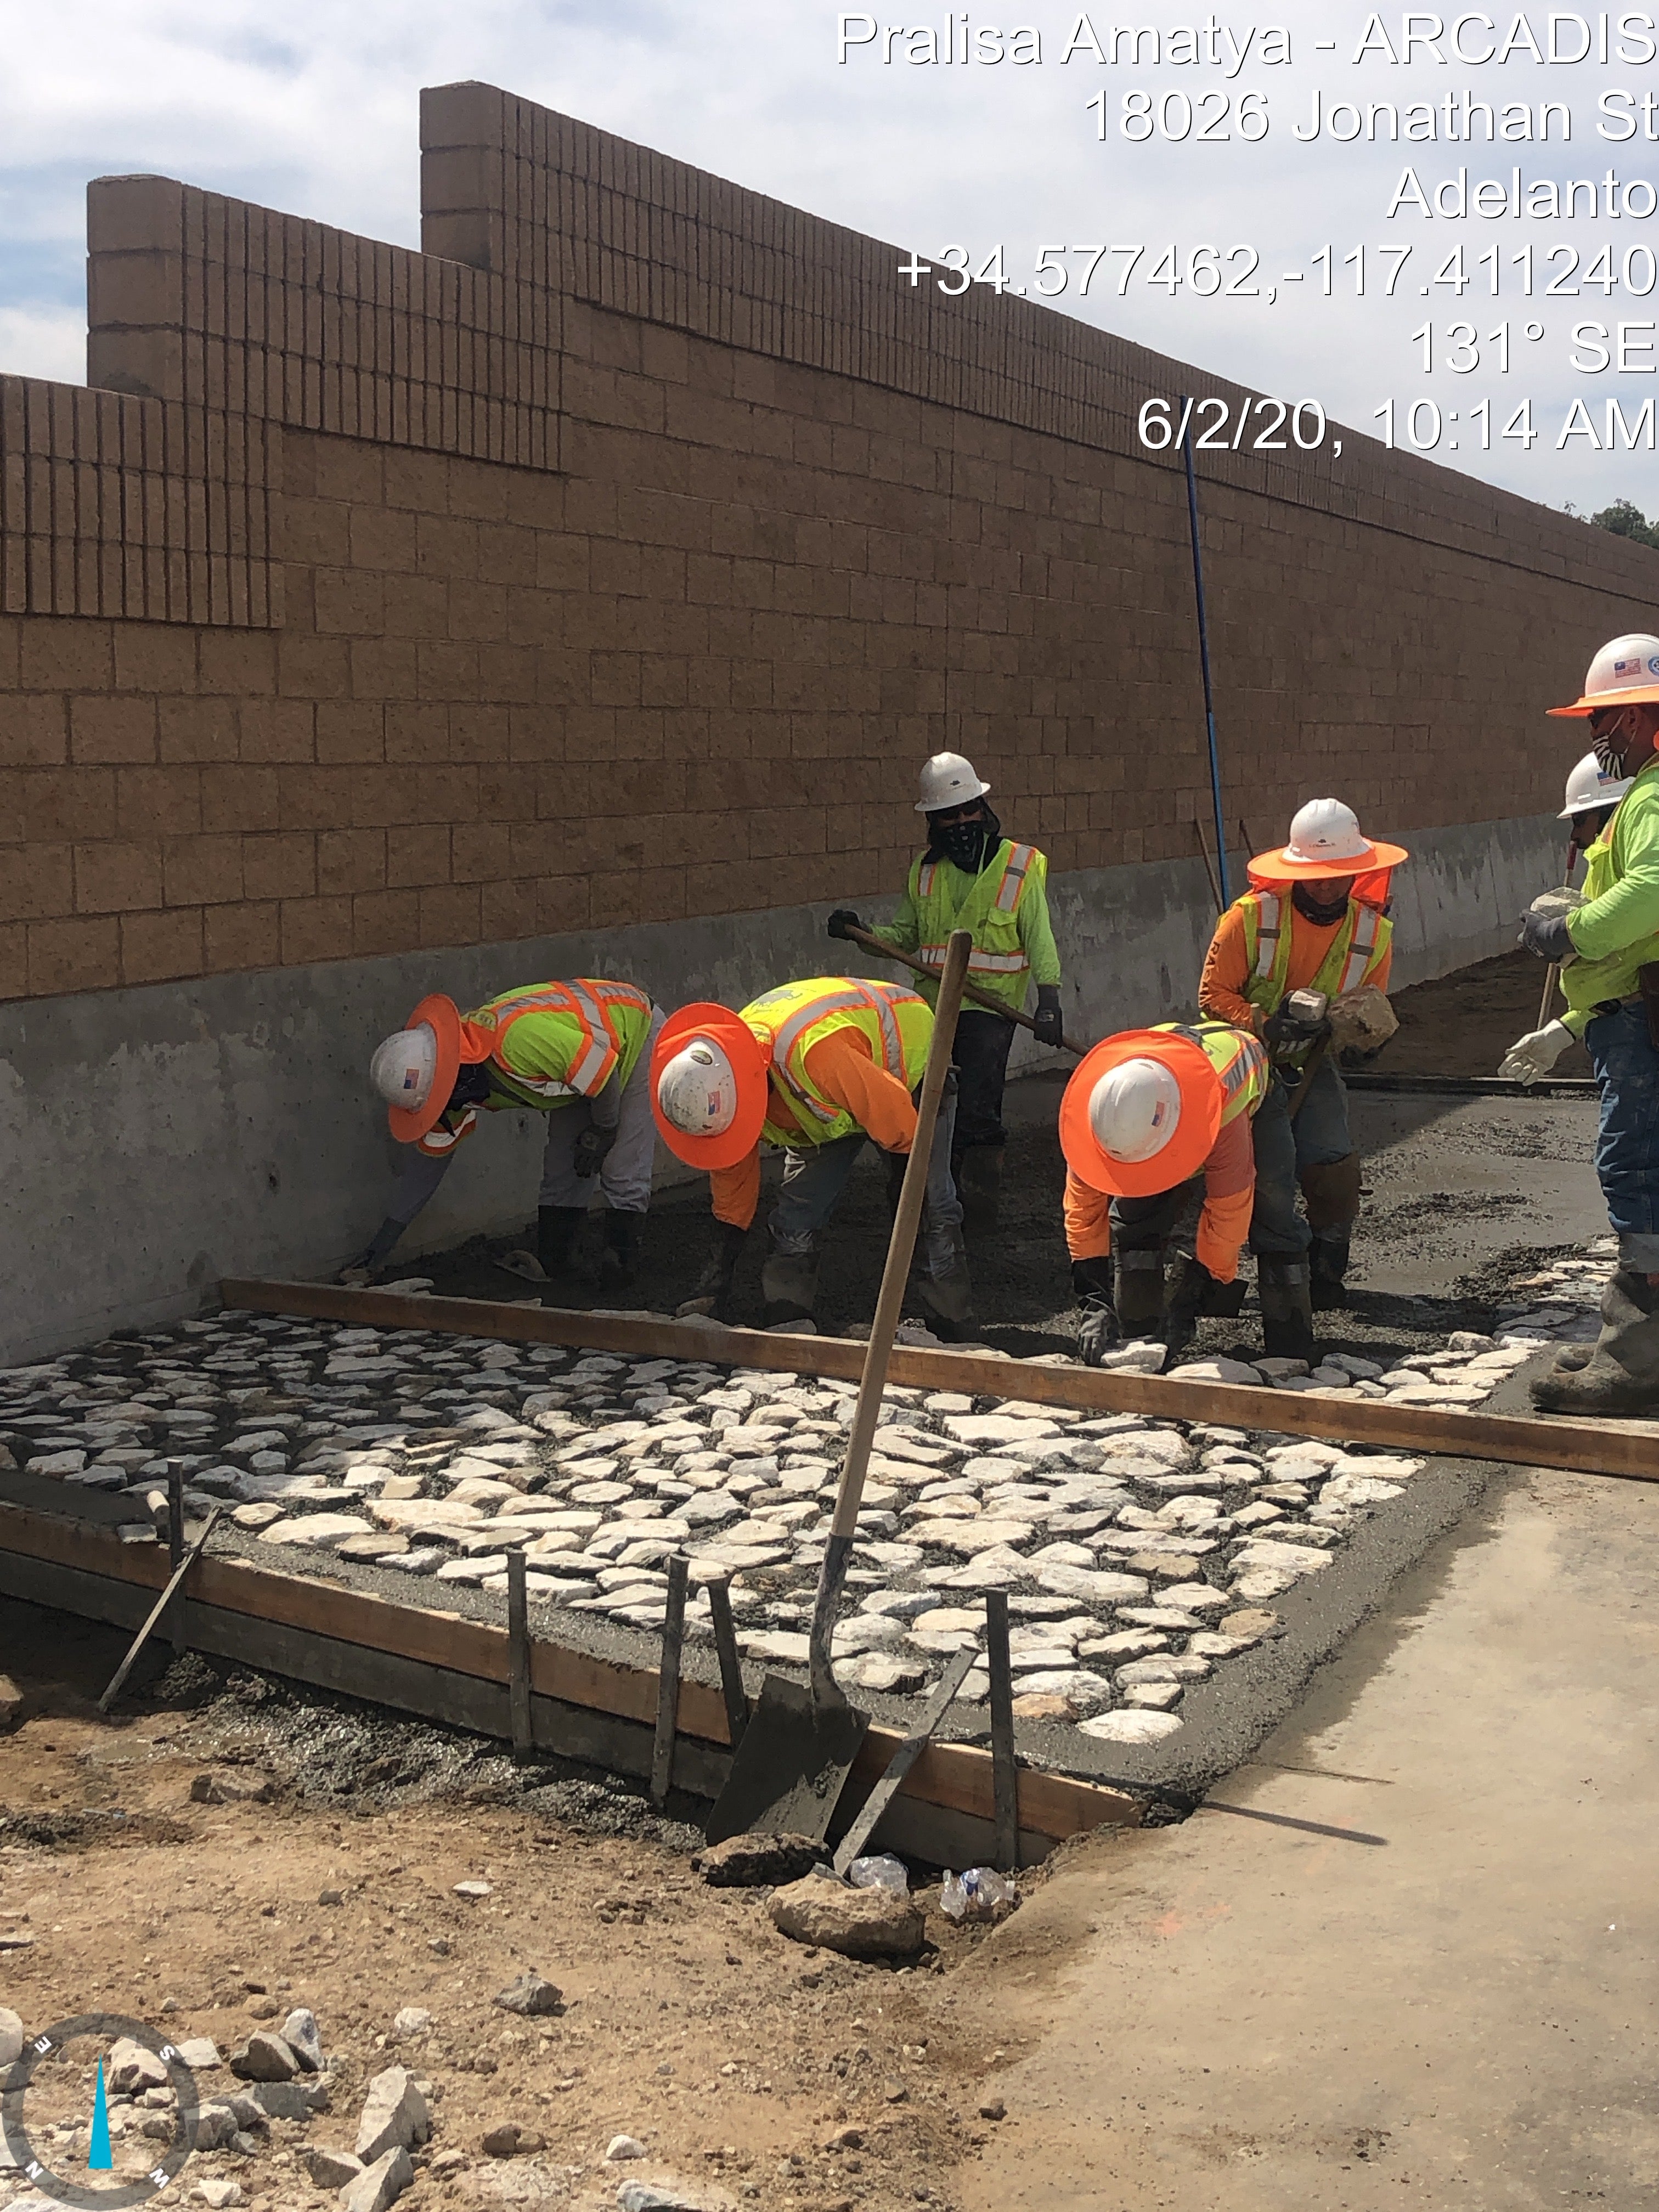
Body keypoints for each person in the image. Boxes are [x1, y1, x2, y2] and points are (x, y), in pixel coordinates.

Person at [1199, 798, 1408, 1350]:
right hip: (1248, 1059)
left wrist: (1361, 1044)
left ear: (1356, 872)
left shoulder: (1373, 934)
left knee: (1332, 1162)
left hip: (1314, 1061)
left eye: (1336, 875)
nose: (1324, 886)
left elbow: (1367, 1007)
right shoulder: (1250, 917)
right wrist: (1264, 1024)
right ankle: (1245, 1268)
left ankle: (1326, 1272)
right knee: (1265, 1171)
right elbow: (1211, 995)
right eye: (1314, 876)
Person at [650, 976, 971, 1333]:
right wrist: (715, 1279)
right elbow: (732, 1188)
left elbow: (903, 1129)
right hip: (828, 1102)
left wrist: (909, 1188)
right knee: (797, 1214)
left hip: (909, 1064)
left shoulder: (817, 1057)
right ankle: (787, 1316)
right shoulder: (725, 1089)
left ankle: (951, 1324)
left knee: (933, 1205)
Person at [826, 752, 1064, 1229]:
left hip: (990, 1009)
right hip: (930, 1010)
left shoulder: (1018, 866)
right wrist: (861, 931)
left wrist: (1050, 999)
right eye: (948, 816)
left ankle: (975, 1206)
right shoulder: (925, 871)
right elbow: (905, 938)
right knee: (924, 1103)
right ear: (932, 821)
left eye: (967, 811)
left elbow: (1039, 937)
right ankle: (927, 1202)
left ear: (983, 809)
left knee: (976, 1104)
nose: (960, 823)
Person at [1516, 633, 1659, 1415]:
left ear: (1637, 718)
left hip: (1641, 1021)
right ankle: (1631, 1336)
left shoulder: (1652, 798)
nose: (1595, 738)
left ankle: (1637, 1360)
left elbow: (1652, 893)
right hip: (1629, 1012)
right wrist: (1572, 1021)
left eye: (1600, 722)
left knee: (1637, 1173)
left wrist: (1571, 932)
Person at [359, 979, 664, 1287]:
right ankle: (556, 1262)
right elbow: (428, 1168)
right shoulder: (455, 1087)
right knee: (564, 1164)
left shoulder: (516, 1039)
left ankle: (621, 1269)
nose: (440, 1110)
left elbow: (602, 1070)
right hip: (583, 1063)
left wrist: (604, 1130)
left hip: (634, 1031)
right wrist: (382, 1245)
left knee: (620, 1167)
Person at [1058, 1020, 1271, 1365]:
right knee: (1136, 1217)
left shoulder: (1220, 1102)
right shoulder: (1096, 1114)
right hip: (1162, 1074)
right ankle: (1138, 1328)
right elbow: (1083, 1213)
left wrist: (1194, 1296)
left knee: (1273, 1204)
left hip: (1250, 1086)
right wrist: (1093, 1303)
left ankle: (1290, 1329)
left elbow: (1229, 1211)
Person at [1498, 748, 1634, 1086]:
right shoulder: (1609, 870)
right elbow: (1627, 978)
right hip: (1623, 1026)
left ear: (1611, 813)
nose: (1575, 836)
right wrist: (1564, 1030)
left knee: (1631, 1139)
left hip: (1635, 1039)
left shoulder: (1639, 885)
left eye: (1579, 820)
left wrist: (1565, 932)